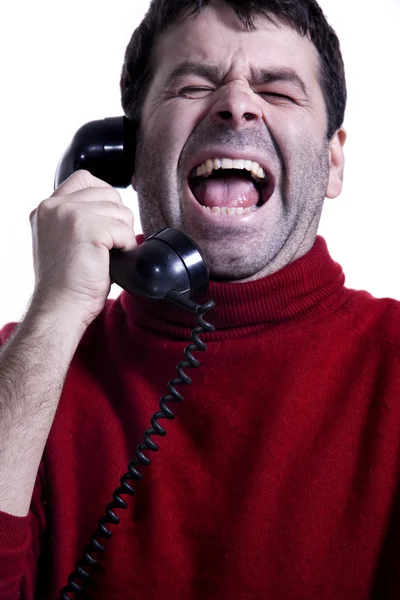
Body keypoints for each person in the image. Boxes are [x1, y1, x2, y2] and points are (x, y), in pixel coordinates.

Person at [0, 0, 399, 598]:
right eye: (193, 84)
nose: (237, 104)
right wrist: (54, 316)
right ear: (124, 152)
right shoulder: (26, 368)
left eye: (279, 91)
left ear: (333, 161)